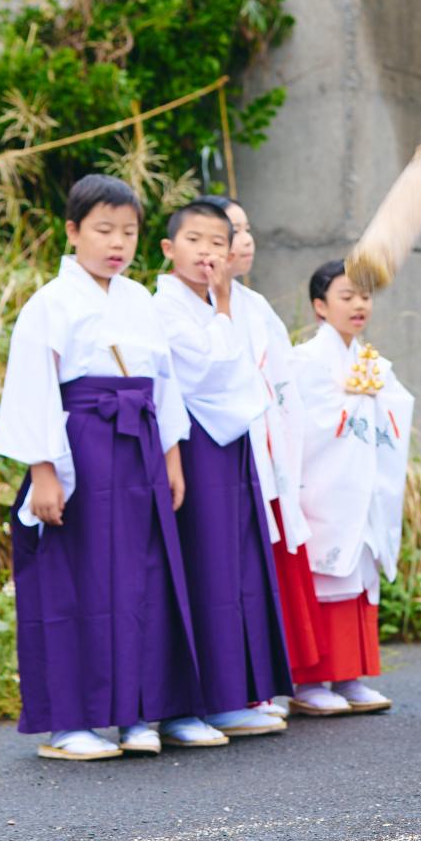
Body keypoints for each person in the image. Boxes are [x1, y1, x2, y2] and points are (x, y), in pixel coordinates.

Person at [0, 173, 212, 761]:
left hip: (140, 446)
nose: (118, 243)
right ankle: (71, 722)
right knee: (77, 580)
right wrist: (42, 471)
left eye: (129, 232)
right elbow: (33, 387)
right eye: (103, 230)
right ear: (72, 231)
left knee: (145, 579)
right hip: (81, 446)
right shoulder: (52, 303)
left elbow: (163, 386)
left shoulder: (138, 300)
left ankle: (141, 712)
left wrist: (172, 457)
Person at [152, 200, 292, 738]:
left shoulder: (217, 303)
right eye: (195, 240)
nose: (208, 252)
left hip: (231, 443)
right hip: (188, 444)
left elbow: (242, 370)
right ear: (169, 248)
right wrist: (225, 304)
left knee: (236, 567)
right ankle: (191, 702)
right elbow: (210, 368)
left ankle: (234, 693)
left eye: (218, 242)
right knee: (200, 567)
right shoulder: (162, 306)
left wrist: (224, 303)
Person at [288, 258, 413, 714]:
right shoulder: (303, 360)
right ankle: (310, 680)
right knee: (322, 576)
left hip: (361, 484)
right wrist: (357, 405)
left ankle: (349, 675)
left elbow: (397, 406)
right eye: (346, 296)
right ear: (320, 306)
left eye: (364, 296)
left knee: (358, 576)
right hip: (320, 486)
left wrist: (369, 402)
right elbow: (305, 419)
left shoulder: (372, 363)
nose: (359, 305)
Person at [216, 197, 315, 720]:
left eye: (248, 227)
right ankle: (236, 691)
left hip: (270, 455)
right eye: (233, 230)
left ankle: (262, 686)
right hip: (229, 456)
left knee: (261, 580)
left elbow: (285, 389)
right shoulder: (196, 306)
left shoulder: (257, 308)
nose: (246, 239)